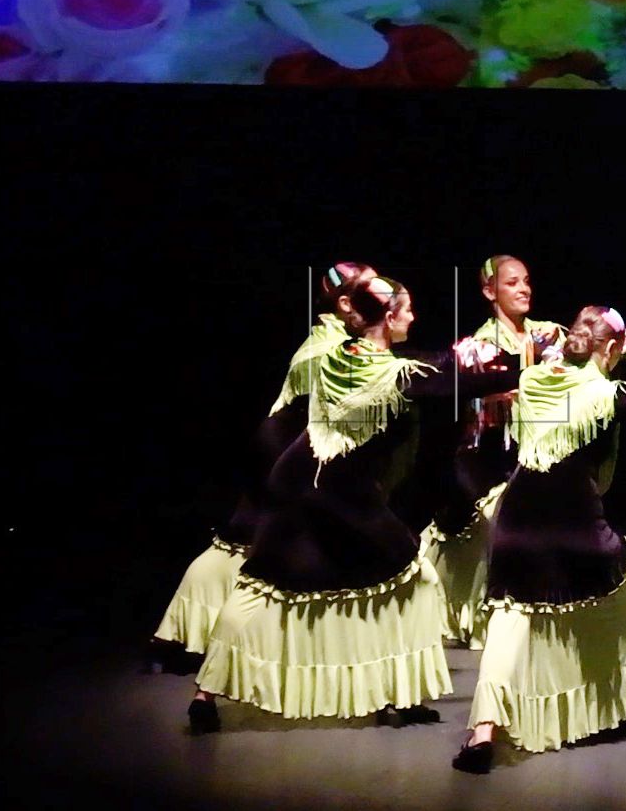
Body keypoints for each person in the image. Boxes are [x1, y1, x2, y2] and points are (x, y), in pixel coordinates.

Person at [189, 277, 525, 732]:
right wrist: (522, 370)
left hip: (294, 480)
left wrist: (457, 357)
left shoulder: (340, 355)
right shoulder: (393, 375)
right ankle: (399, 696)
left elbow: (426, 365)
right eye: (406, 310)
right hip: (339, 492)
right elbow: (440, 381)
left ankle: (204, 693)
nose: (413, 317)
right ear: (388, 317)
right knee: (416, 579)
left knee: (261, 582)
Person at [454, 307, 626, 773]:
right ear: (607, 349)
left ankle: (483, 731)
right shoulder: (607, 395)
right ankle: (612, 703)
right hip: (574, 524)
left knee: (512, 620)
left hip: (516, 520)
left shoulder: (534, 380)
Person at [148, 261, 375, 671]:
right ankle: (188, 641)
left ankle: (178, 638)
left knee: (244, 538)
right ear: (345, 303)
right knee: (257, 542)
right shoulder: (327, 348)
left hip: (284, 443)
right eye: (372, 291)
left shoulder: (335, 337)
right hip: (282, 445)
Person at [419, 255, 564, 648]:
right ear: (489, 291)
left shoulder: (551, 337)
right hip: (486, 454)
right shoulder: (475, 348)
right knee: (492, 522)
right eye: (512, 283)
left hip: (535, 449)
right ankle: (488, 615)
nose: (523, 289)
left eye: (527, 281)